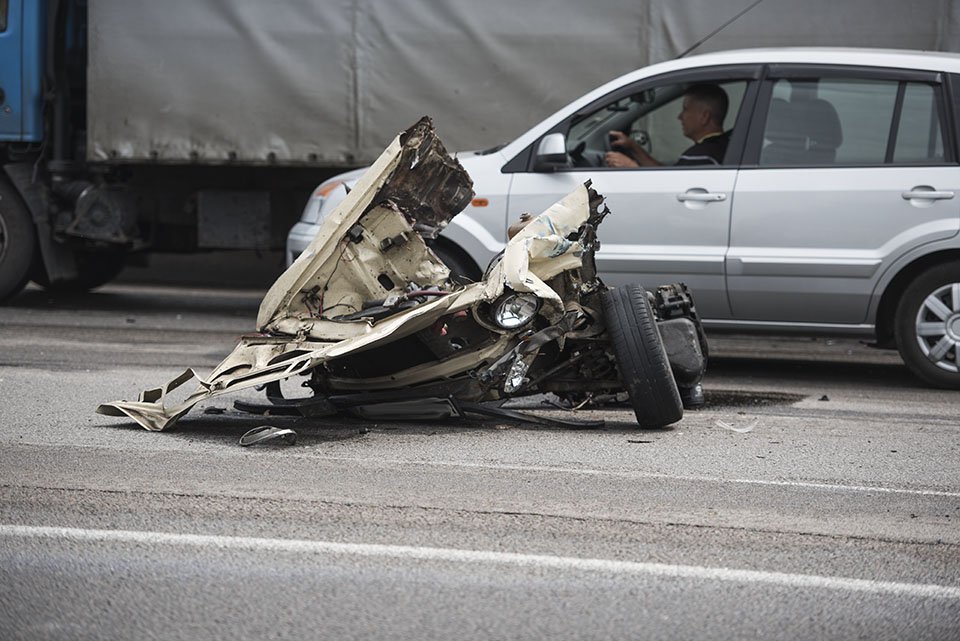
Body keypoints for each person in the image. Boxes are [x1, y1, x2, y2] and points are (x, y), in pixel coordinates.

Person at [605, 83, 730, 168]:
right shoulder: (721, 147)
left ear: (704, 117)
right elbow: (667, 173)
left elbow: (671, 188)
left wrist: (631, 167)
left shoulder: (701, 156)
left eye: (685, 109)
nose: (680, 116)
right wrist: (633, 146)